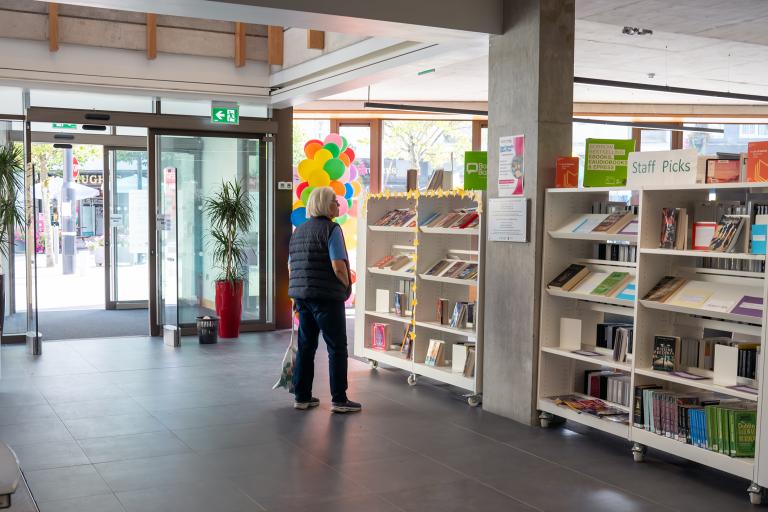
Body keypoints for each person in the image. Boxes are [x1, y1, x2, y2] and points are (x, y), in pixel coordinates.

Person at [288, 186, 362, 413]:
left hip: (302, 296)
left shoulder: (298, 230)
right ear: (324, 205)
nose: (339, 206)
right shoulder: (332, 230)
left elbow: (293, 266)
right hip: (326, 297)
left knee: (306, 346)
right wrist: (345, 284)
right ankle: (339, 399)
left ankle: (302, 396)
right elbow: (338, 265)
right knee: (337, 347)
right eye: (335, 202)